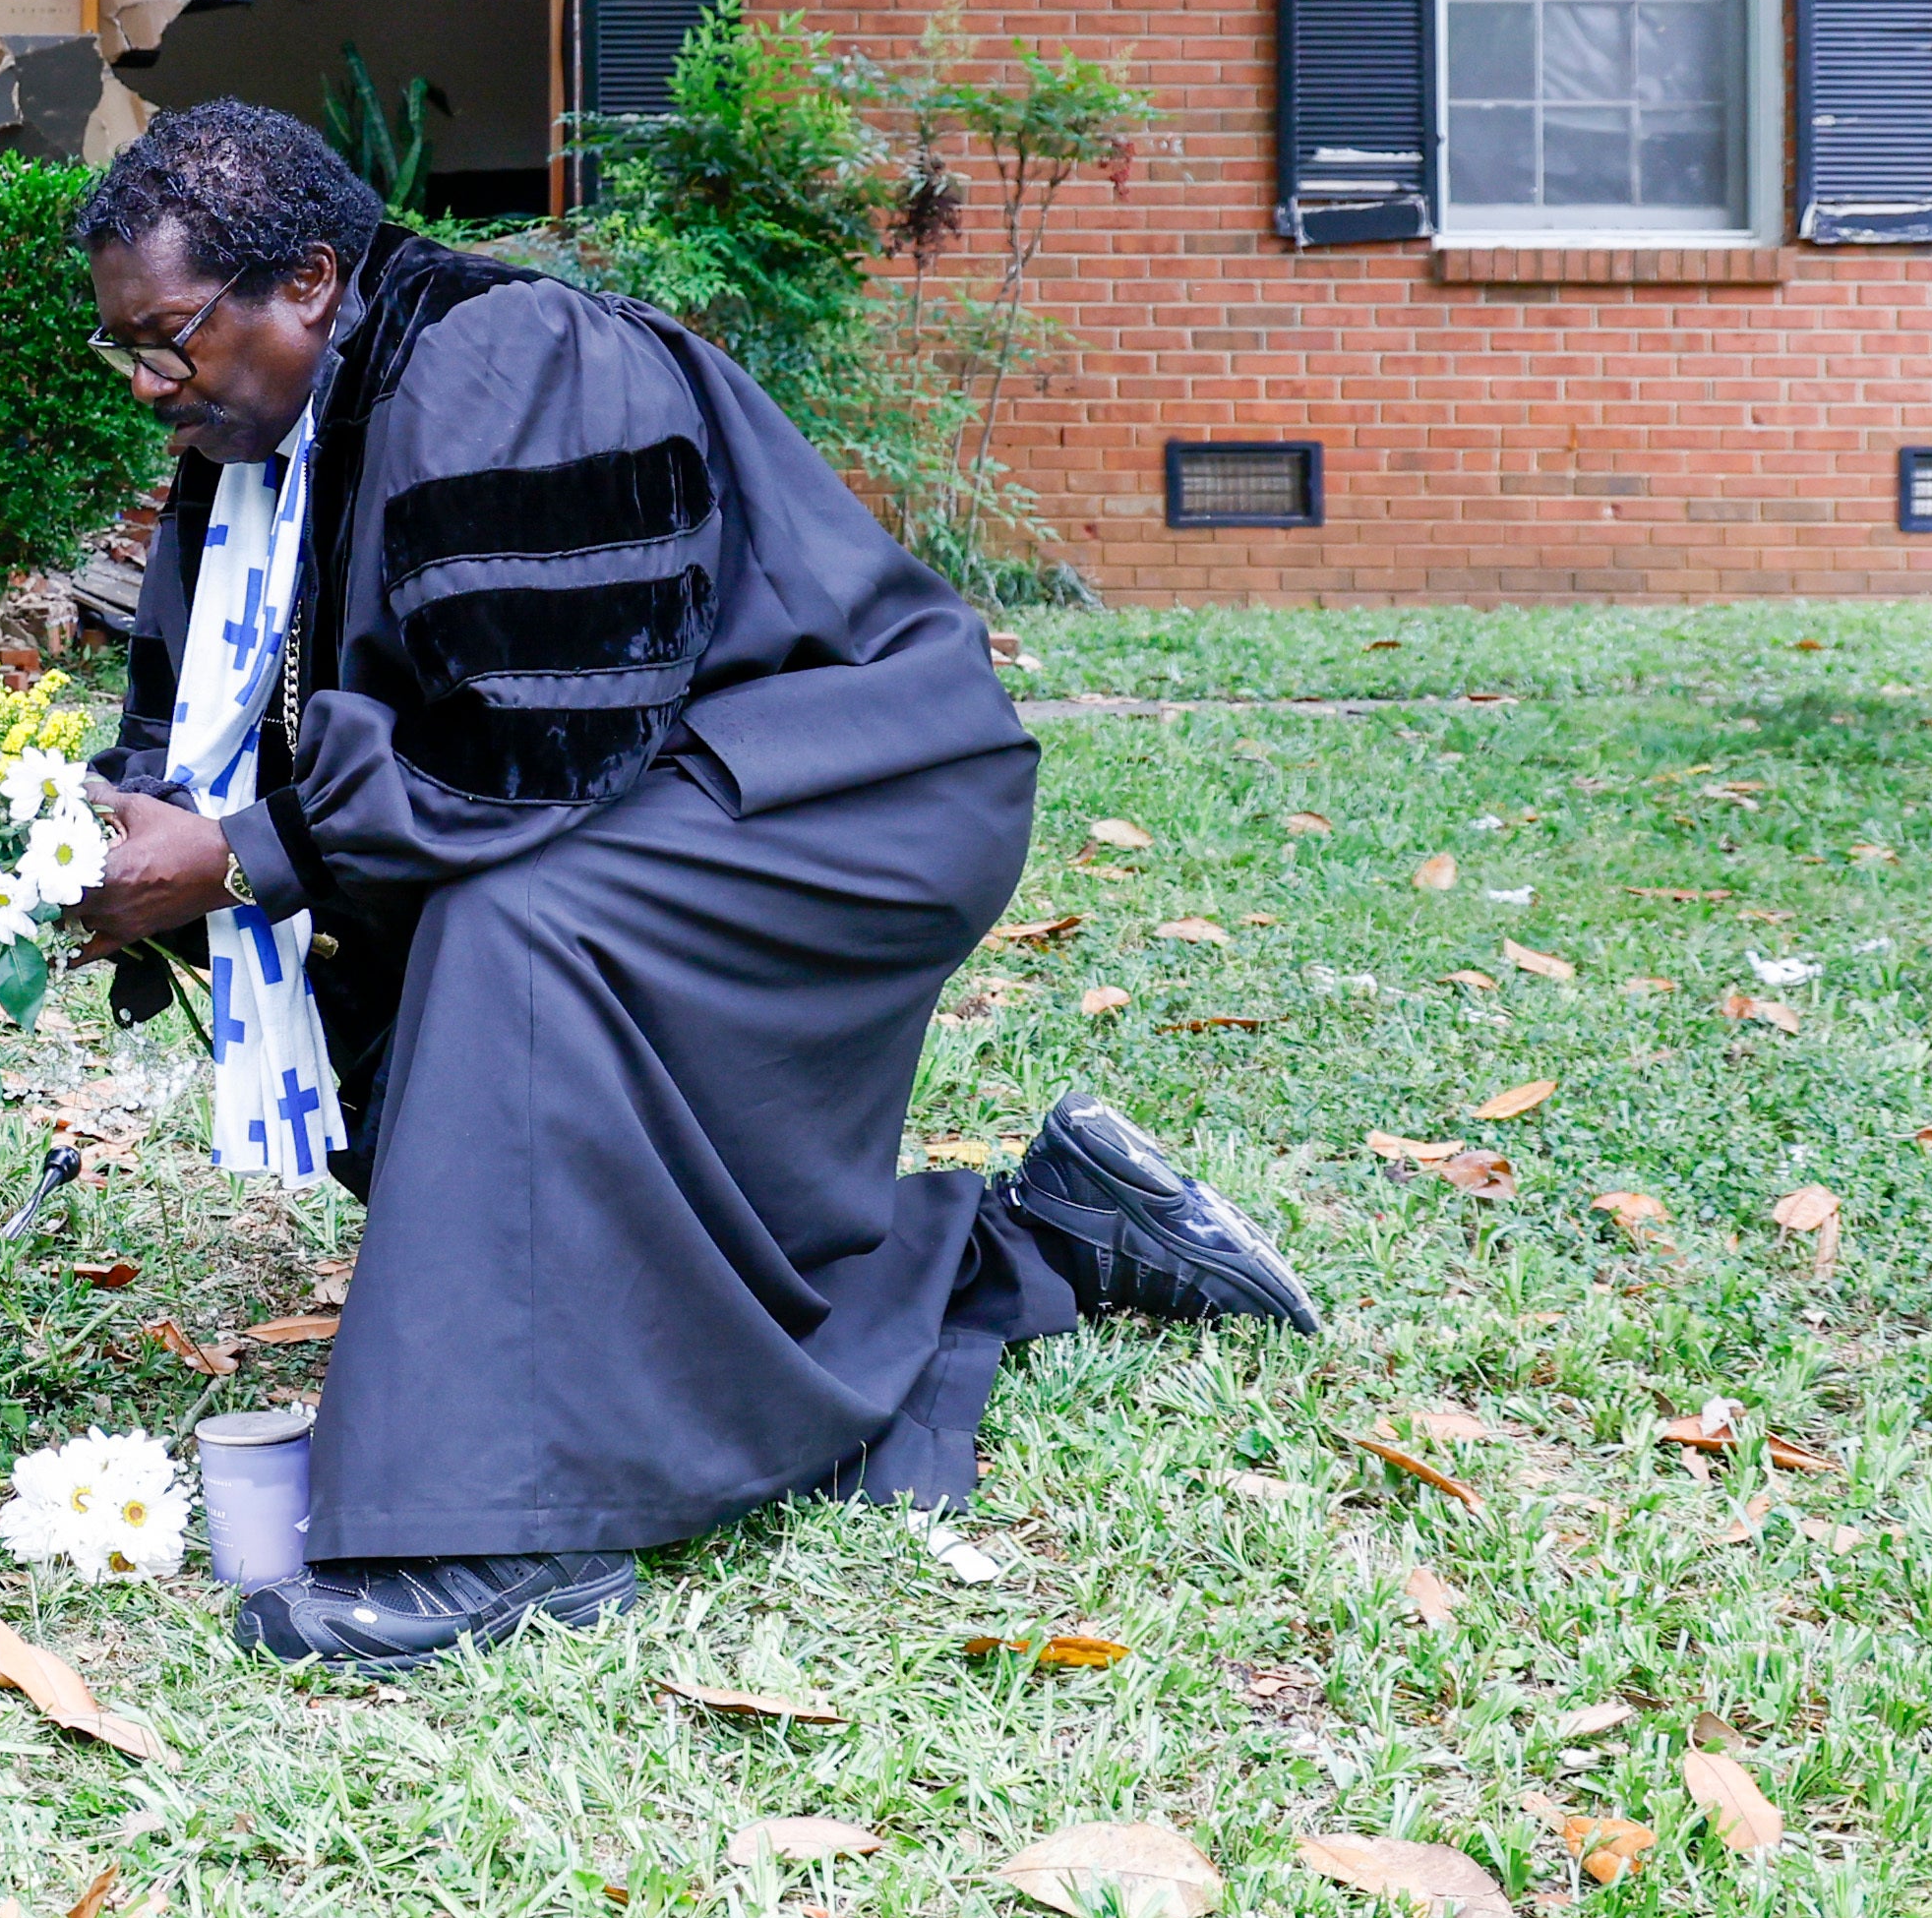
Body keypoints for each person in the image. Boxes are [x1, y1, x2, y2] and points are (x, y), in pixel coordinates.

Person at [68, 99, 1315, 1670]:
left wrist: (246, 857)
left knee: (513, 939)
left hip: (846, 791)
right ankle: (1042, 1235)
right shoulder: (255, 445)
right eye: (128, 350)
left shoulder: (497, 352)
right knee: (453, 1067)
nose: (149, 384)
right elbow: (223, 724)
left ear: (307, 280)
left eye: (168, 339)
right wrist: (87, 844)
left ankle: (502, 1532)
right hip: (674, 799)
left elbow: (544, 729)